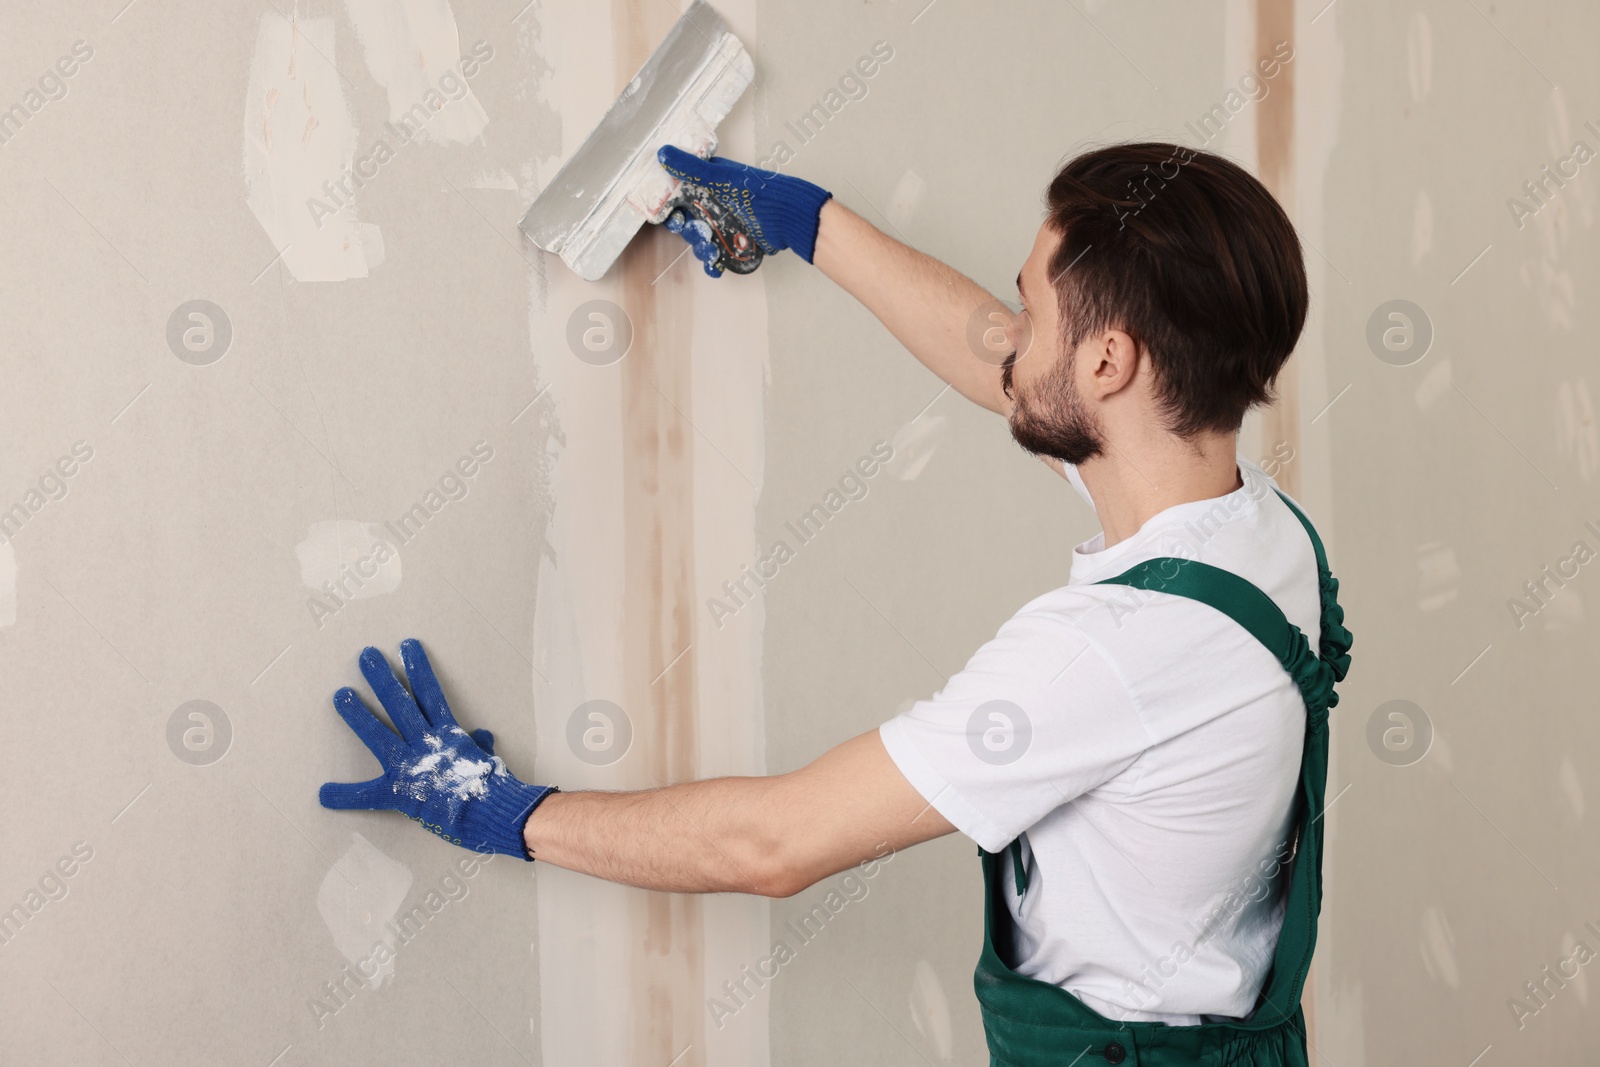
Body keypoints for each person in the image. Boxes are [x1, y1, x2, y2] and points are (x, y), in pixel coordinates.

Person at [318, 141, 1353, 1066]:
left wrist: (509, 812)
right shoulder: (1256, 531)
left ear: (1108, 363)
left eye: (1034, 310)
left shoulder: (1105, 656)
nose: (1011, 336)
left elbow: (776, 841)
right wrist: (807, 219)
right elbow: (998, 358)